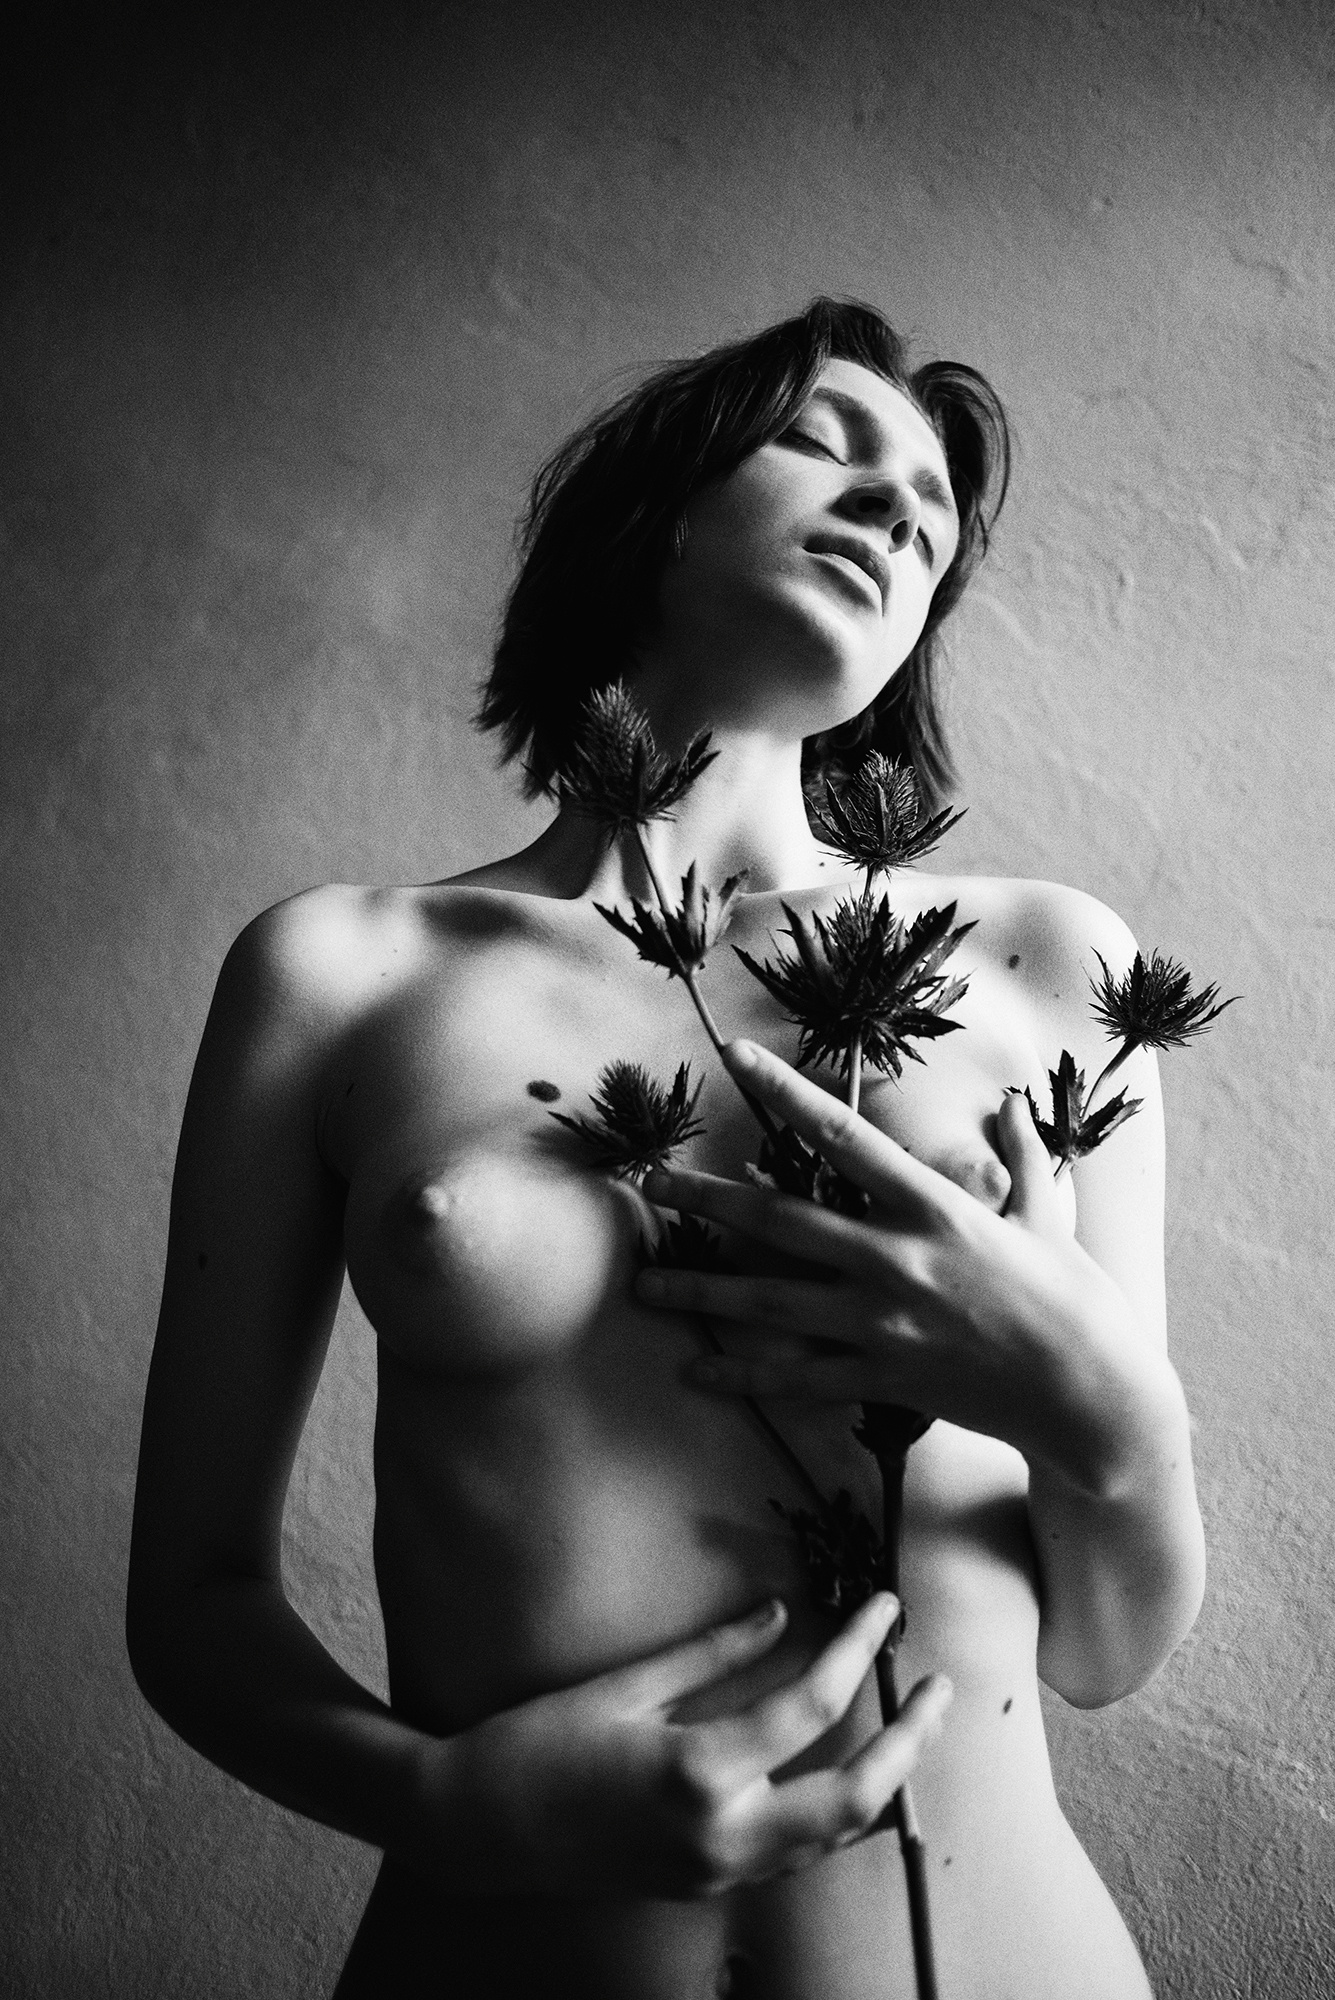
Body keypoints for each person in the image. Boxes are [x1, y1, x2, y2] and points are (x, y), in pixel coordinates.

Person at [127, 298, 1205, 1999]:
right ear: (656, 512)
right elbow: (192, 1600)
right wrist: (444, 1803)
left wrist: (1108, 1412)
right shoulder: (343, 976)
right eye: (825, 447)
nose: (897, 511)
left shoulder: (1042, 966)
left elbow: (1105, 1651)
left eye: (931, 519)